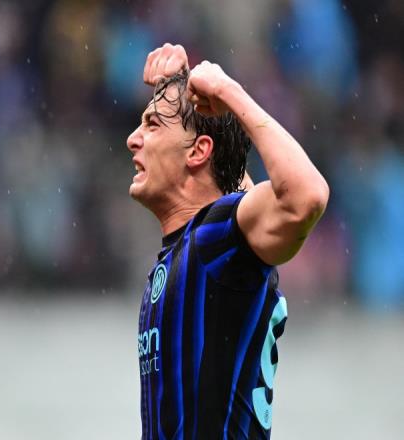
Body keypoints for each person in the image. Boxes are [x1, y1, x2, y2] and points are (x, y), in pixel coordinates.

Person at [128, 43, 329, 440]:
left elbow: (307, 196)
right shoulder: (210, 241)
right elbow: (231, 178)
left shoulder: (214, 239)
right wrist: (187, 86)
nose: (133, 139)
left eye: (152, 125)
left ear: (198, 151)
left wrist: (227, 91)